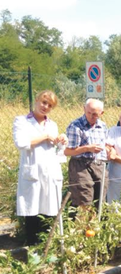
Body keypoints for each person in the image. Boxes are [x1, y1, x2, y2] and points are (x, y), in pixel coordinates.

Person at [13, 90, 68, 246]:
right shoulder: (21, 121)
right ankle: (32, 250)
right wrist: (45, 137)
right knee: (32, 212)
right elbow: (21, 143)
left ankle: (46, 249)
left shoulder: (53, 125)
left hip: (50, 172)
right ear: (36, 101)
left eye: (50, 105)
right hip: (33, 172)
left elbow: (58, 150)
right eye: (44, 102)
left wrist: (61, 140)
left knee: (49, 211)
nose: (45, 107)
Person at [65, 98, 112, 210]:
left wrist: (109, 149)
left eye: (95, 114)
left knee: (100, 199)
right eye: (88, 112)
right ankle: (83, 226)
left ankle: (95, 226)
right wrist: (87, 148)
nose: (91, 116)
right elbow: (67, 151)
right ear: (84, 109)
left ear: (101, 113)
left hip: (99, 164)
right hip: (80, 165)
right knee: (84, 200)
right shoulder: (75, 126)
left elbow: (105, 144)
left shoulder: (103, 126)